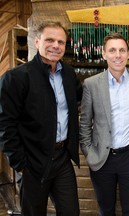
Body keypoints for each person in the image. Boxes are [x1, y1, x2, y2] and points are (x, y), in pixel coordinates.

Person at [0, 21, 82, 216]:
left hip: (62, 159)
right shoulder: (16, 78)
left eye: (61, 42)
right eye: (50, 40)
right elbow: (4, 124)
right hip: (32, 162)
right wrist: (19, 164)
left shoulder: (69, 74)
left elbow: (77, 103)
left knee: (71, 212)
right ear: (37, 42)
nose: (56, 45)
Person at [79, 32, 129, 216]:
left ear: (128, 53)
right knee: (106, 209)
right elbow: (84, 124)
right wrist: (90, 153)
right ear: (104, 54)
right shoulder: (91, 84)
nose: (117, 55)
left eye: (121, 50)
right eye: (112, 50)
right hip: (102, 157)